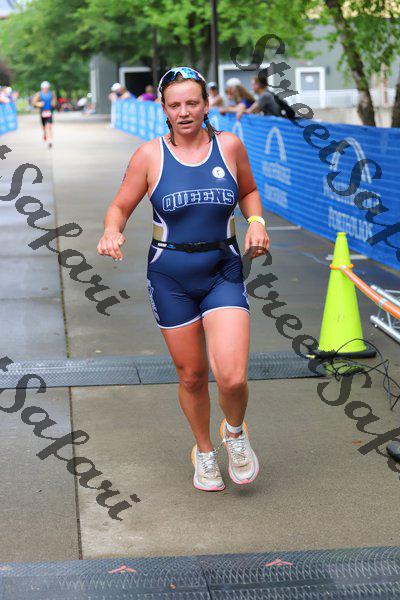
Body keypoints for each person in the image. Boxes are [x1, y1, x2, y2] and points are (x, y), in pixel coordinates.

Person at [97, 66, 270, 493]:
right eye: (175, 105)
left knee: (232, 376)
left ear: (206, 104)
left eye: (192, 102)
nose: (184, 112)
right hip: (170, 276)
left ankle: (234, 432)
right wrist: (111, 231)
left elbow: (248, 192)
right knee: (192, 375)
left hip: (223, 268)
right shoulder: (149, 156)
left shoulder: (229, 146)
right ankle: (204, 451)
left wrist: (256, 222)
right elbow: (119, 206)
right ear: (164, 109)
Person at [32, 81, 57, 148]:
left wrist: (53, 103)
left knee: (49, 126)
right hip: (42, 112)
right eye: (44, 88)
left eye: (46, 88)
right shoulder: (39, 94)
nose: (45, 89)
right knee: (44, 127)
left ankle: (50, 141)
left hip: (49, 112)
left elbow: (54, 101)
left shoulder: (52, 93)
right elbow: (34, 102)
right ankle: (45, 134)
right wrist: (38, 104)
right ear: (42, 88)